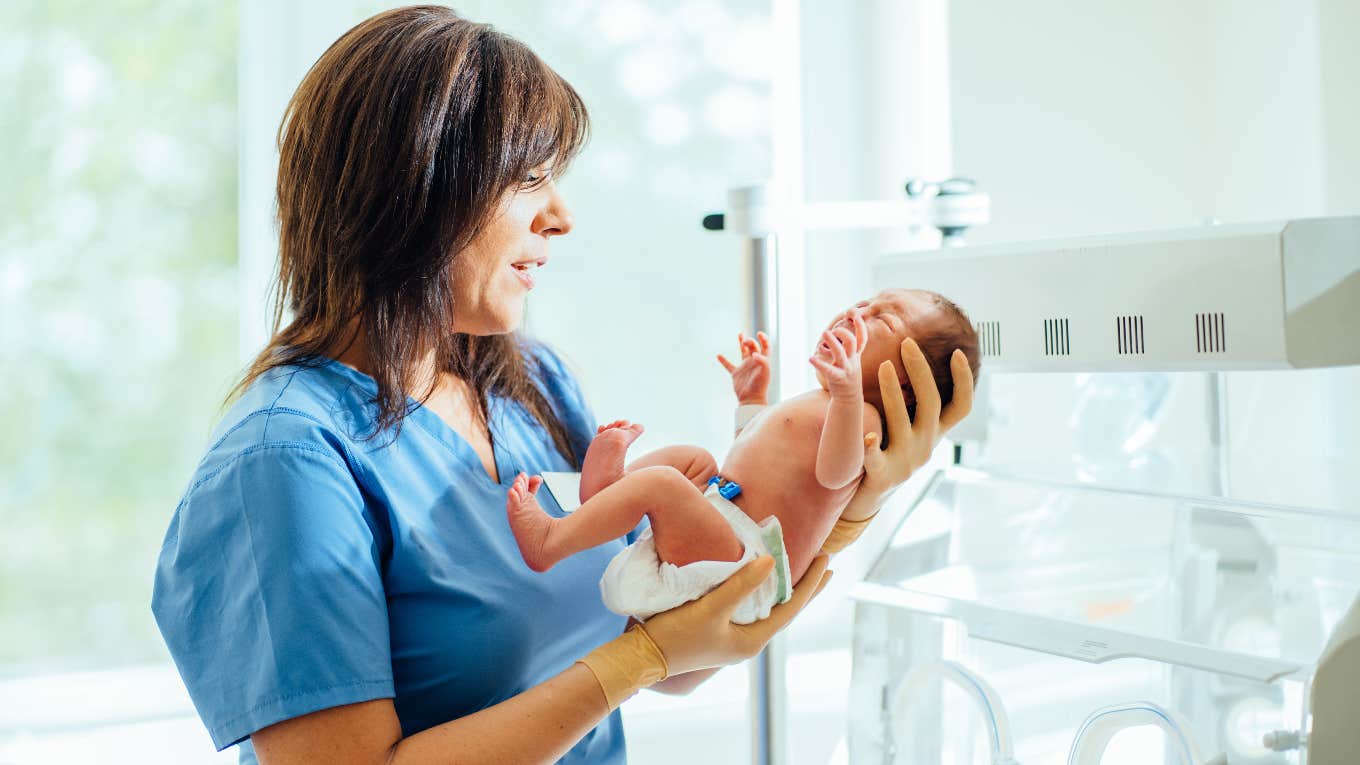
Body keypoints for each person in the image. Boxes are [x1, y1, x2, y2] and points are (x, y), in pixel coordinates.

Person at [150, 7, 973, 765]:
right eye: (531, 180)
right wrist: (636, 661)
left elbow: (678, 642)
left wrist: (851, 504)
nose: (562, 217)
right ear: (416, 190)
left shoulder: (528, 383)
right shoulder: (286, 459)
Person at [505, 289, 980, 624]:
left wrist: (848, 395)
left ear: (906, 382)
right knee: (692, 461)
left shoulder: (864, 419)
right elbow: (755, 455)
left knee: (667, 486)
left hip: (749, 569)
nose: (858, 311)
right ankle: (605, 495)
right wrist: (752, 398)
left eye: (884, 319)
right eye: (865, 302)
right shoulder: (824, 404)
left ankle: (552, 541)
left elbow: (835, 476)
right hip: (726, 526)